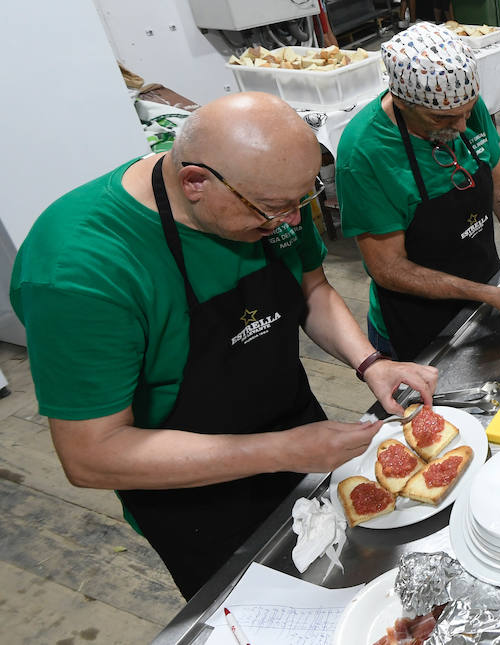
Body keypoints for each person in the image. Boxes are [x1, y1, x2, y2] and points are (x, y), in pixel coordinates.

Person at [9, 92, 437, 597]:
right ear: (196, 182)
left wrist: (370, 362)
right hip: (196, 497)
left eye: (303, 202)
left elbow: (311, 288)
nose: (293, 223)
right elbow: (91, 457)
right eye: (275, 210)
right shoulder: (81, 271)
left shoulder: (269, 196)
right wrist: (281, 450)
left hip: (295, 428)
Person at [335, 24, 500, 362]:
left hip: (486, 292)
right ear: (402, 101)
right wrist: (487, 294)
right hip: (419, 324)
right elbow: (388, 268)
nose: (464, 126)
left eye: (467, 113)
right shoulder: (365, 152)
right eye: (443, 118)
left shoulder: (461, 106)